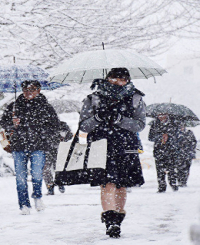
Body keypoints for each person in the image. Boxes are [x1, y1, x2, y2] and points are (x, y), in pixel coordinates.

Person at [79, 67, 146, 238]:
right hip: (101, 146)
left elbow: (140, 125)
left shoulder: (136, 98)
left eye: (122, 79)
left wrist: (120, 120)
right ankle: (110, 222)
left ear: (128, 80)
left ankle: (118, 218)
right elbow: (83, 126)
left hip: (126, 146)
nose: (118, 82)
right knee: (106, 184)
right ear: (108, 79)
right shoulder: (93, 99)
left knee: (122, 184)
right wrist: (98, 118)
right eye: (114, 79)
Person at [0, 80, 60, 215]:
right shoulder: (14, 106)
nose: (28, 92)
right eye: (25, 89)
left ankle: (37, 197)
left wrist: (42, 134)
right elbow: (3, 122)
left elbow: (55, 126)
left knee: (37, 174)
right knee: (20, 178)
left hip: (38, 146)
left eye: (32, 89)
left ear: (39, 90)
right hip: (18, 146)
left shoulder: (46, 107)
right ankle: (23, 204)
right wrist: (12, 123)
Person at [148, 114, 180, 193]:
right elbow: (150, 137)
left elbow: (177, 136)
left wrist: (168, 136)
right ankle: (161, 186)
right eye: (159, 115)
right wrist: (160, 137)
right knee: (159, 170)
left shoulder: (173, 124)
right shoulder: (154, 124)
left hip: (171, 151)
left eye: (163, 115)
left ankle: (173, 183)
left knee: (171, 169)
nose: (161, 117)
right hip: (159, 150)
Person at [43, 121, 73, 195]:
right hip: (48, 149)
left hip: (56, 149)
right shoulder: (42, 125)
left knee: (55, 168)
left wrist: (63, 138)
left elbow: (69, 135)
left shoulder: (61, 125)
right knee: (47, 170)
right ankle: (52, 186)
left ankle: (58, 183)